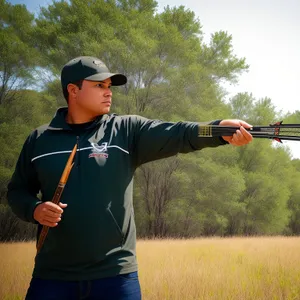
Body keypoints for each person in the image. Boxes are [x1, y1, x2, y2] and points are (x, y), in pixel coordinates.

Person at [7, 56, 253, 300]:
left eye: (109, 86)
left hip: (116, 276)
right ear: (73, 90)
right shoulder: (39, 140)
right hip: (52, 278)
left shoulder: (126, 131)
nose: (108, 92)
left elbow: (180, 133)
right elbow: (17, 192)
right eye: (99, 86)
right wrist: (35, 209)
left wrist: (220, 130)